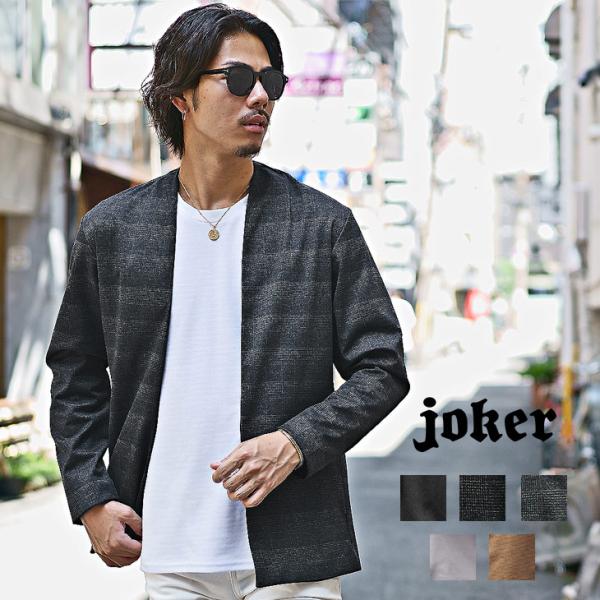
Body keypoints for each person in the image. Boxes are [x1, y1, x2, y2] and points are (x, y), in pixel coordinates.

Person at [45, 4, 410, 599]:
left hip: (295, 555)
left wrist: (295, 443)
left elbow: (382, 367)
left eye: (271, 82)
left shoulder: (321, 227)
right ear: (181, 97)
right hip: (169, 548)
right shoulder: (113, 231)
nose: (260, 97)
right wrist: (91, 496)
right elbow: (76, 371)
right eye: (237, 79)